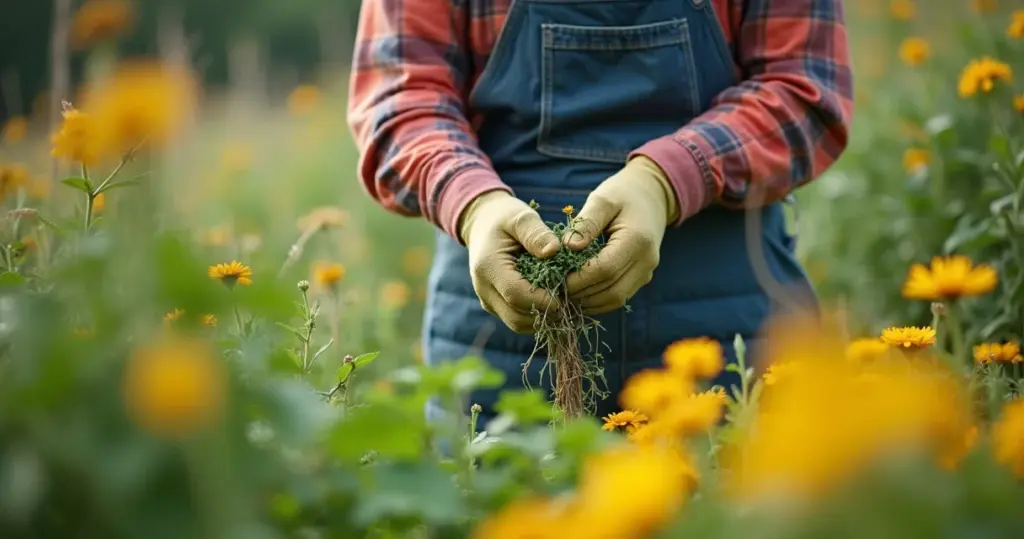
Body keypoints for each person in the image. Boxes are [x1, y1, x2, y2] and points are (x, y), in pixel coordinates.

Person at [348, 0, 852, 429]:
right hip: (498, 330)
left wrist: (668, 178)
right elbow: (399, 100)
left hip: (726, 325)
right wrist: (473, 204)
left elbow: (805, 89)